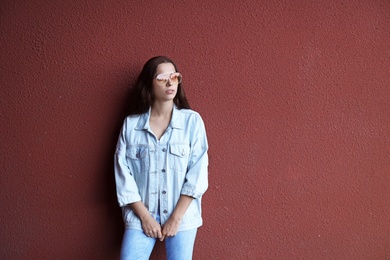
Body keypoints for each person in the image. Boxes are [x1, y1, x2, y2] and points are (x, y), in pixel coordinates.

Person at [114, 56, 209, 259]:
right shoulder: (131, 125)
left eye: (174, 77)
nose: (169, 82)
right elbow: (123, 176)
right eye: (162, 77)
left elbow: (198, 174)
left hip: (182, 215)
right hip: (140, 216)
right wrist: (145, 217)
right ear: (149, 83)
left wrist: (175, 218)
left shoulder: (192, 122)